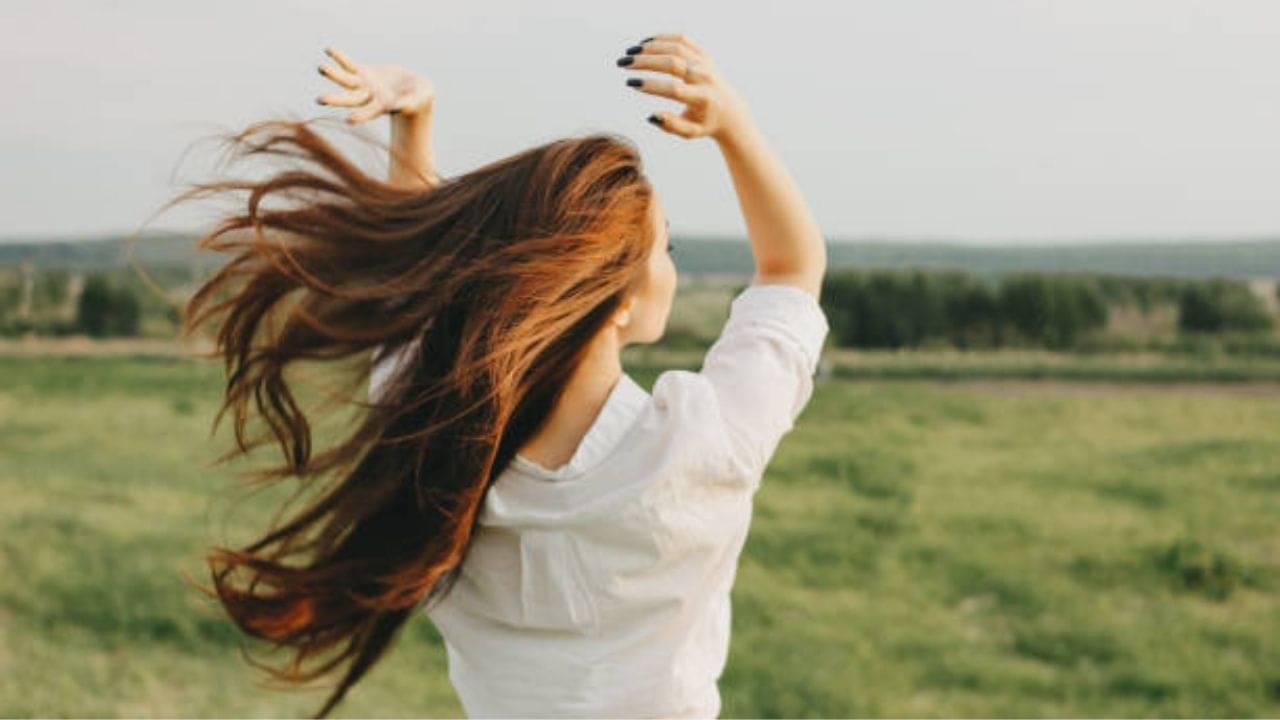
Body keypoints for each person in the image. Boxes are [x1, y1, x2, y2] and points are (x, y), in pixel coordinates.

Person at [182, 33, 827, 719]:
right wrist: (735, 125)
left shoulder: (436, 444)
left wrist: (415, 122)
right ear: (618, 299)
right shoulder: (701, 445)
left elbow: (416, 299)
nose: (671, 261)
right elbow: (791, 269)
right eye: (662, 247)